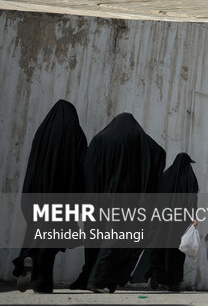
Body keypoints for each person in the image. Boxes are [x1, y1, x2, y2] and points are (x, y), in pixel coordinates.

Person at [70, 113, 165, 293]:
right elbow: (158, 152)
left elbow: (88, 167)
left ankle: (93, 276)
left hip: (98, 199)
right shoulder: (139, 139)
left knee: (96, 237)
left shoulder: (100, 139)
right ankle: (100, 279)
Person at [12, 100, 87, 293]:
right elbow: (80, 171)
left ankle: (27, 257)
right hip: (62, 197)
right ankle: (42, 283)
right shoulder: (76, 135)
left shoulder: (42, 132)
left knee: (36, 229)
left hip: (38, 193)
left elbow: (32, 165)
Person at [146, 153, 199, 292]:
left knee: (161, 250)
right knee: (177, 252)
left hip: (162, 221)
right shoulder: (190, 178)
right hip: (180, 223)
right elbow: (192, 200)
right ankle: (173, 282)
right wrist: (193, 217)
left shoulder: (166, 176)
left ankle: (157, 276)